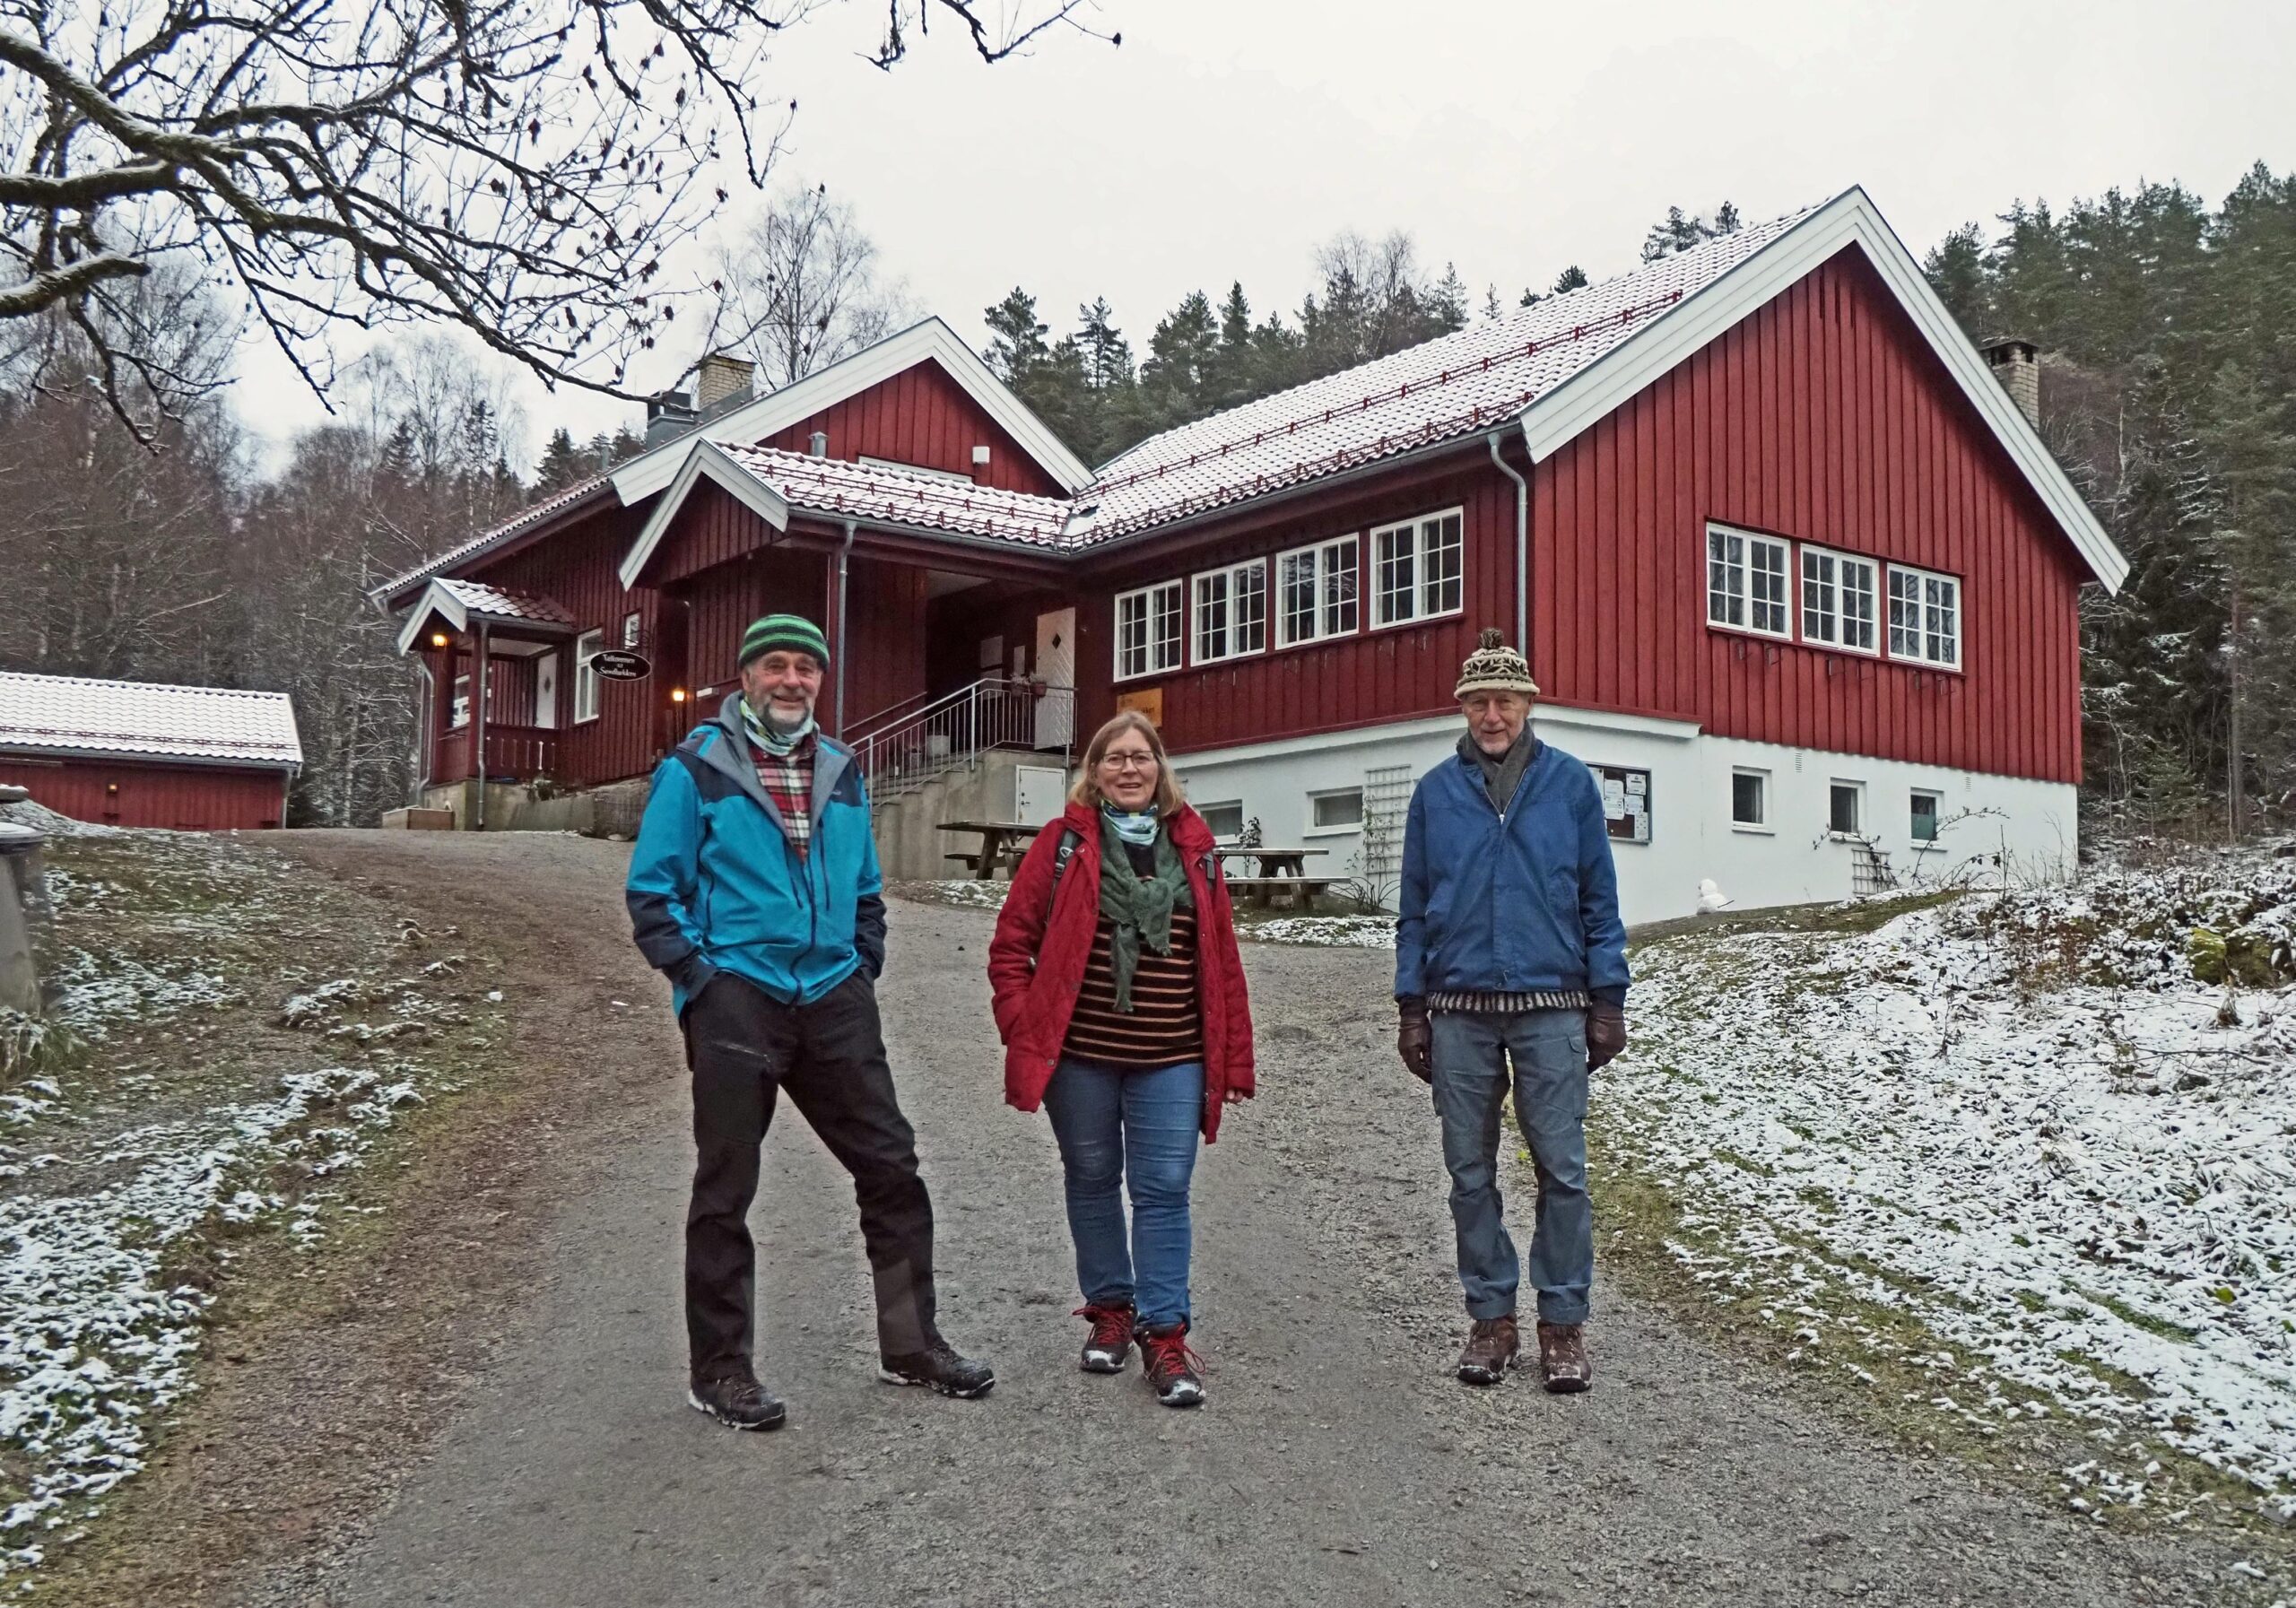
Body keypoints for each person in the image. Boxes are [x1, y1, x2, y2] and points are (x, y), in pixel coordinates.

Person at [627, 613, 994, 1430]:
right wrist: (702, 979)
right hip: (738, 996)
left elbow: (866, 885)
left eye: (807, 669)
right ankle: (721, 1369)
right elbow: (654, 892)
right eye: (777, 666)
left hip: (833, 993)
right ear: (748, 676)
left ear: (821, 681)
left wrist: (862, 961)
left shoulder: (842, 767)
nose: (793, 681)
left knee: (892, 1168)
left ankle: (911, 1344)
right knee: (727, 1186)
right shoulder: (696, 768)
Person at [987, 711, 1255, 1408]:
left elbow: (1221, 957)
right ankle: (1110, 1310)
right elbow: (1012, 943)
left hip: (1174, 1055)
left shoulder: (1194, 847)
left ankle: (1163, 1334)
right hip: (1079, 1056)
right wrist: (1024, 1023)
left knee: (1163, 1187)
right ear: (1094, 771)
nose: (1129, 768)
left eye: (1141, 757)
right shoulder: (1061, 845)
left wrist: (1232, 1055)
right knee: (1093, 1174)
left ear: (1160, 770)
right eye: (1115, 758)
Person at [1394, 628, 1630, 1393]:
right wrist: (1411, 1004)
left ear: (1528, 703)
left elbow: (1599, 898)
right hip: (1459, 1008)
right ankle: (1491, 1317)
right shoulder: (1434, 792)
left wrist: (1607, 999)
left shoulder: (1570, 786)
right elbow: (1414, 910)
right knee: (1469, 1172)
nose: (1492, 715)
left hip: (1551, 1006)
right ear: (1462, 707)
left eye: (1505, 700)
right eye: (1478, 702)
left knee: (1562, 1170)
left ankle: (1562, 1322)